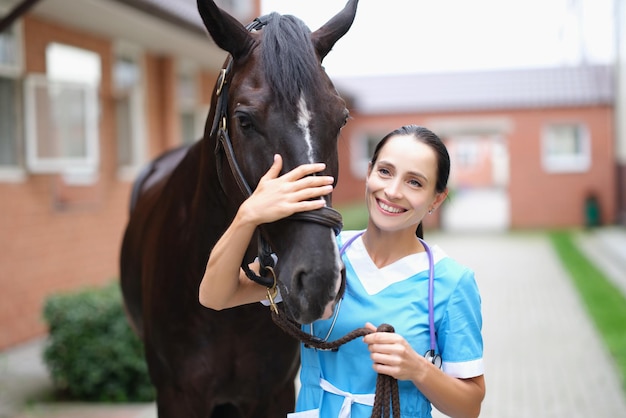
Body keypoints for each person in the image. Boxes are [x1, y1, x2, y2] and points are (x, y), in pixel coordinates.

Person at [199, 125, 485, 418]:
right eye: (385, 172)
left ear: (436, 199)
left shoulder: (451, 283)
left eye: (414, 182)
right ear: (369, 172)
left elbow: (469, 406)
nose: (392, 191)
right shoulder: (320, 255)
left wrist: (418, 369)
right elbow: (216, 295)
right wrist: (248, 215)